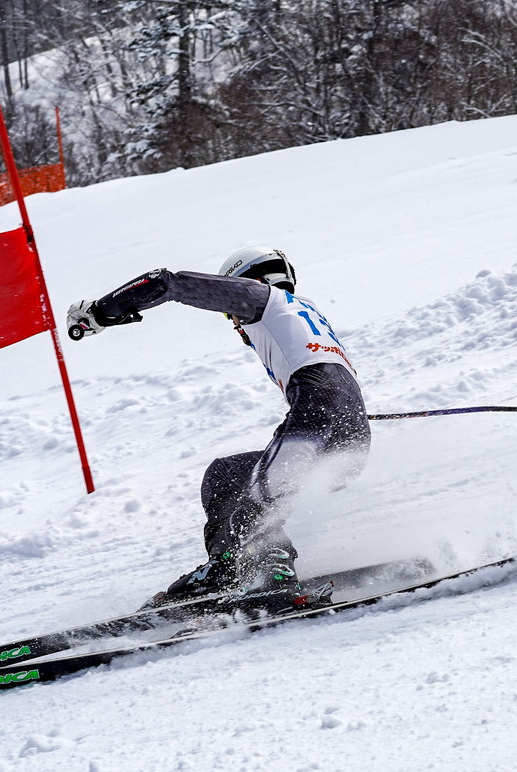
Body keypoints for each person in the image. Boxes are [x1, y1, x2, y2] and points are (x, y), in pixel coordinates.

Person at [67, 247, 370, 613]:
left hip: (316, 418)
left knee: (259, 502)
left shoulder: (265, 299)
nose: (234, 322)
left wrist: (101, 312)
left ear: (252, 280)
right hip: (347, 431)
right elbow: (331, 384)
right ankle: (225, 569)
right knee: (226, 475)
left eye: (231, 311)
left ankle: (272, 578)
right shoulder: (303, 315)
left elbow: (168, 282)